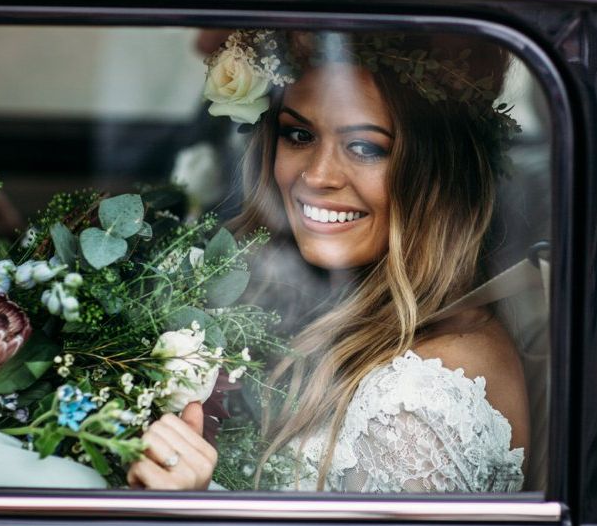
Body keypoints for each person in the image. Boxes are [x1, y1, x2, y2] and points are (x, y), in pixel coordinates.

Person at [127, 29, 529, 493]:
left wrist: (188, 515)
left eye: (365, 147)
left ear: (437, 177)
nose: (316, 176)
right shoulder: (317, 301)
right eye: (299, 135)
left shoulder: (417, 402)